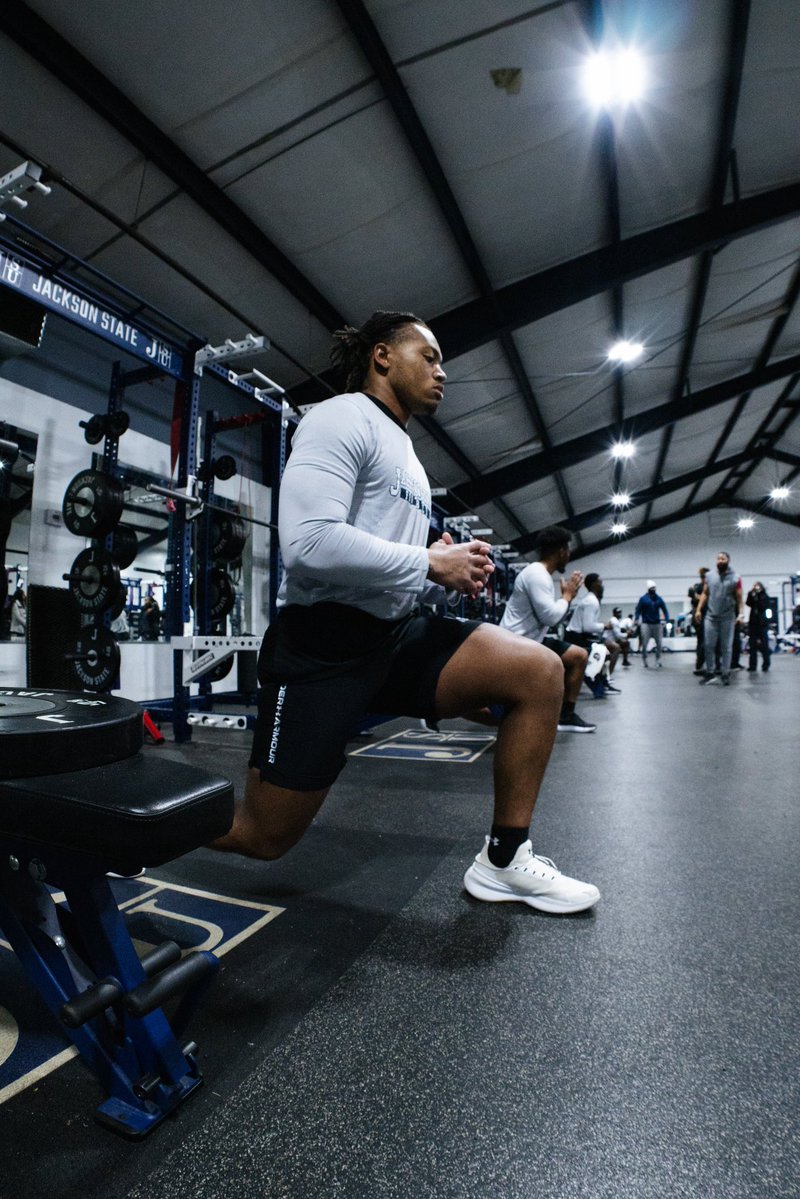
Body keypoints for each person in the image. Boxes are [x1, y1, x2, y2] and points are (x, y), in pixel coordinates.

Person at [213, 311, 599, 914]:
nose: (443, 373)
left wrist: (444, 569)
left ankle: (504, 861)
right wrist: (426, 562)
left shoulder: (412, 461)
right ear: (383, 356)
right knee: (263, 838)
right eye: (431, 355)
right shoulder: (341, 417)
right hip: (323, 645)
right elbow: (309, 543)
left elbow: (393, 564)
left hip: (395, 635)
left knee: (539, 670)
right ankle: (126, 830)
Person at [500, 525, 596, 733]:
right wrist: (567, 596)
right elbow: (551, 617)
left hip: (533, 641)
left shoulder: (542, 575)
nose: (569, 556)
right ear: (561, 551)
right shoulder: (537, 574)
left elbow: (553, 615)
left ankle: (566, 715)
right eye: (568, 551)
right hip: (515, 643)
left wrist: (565, 599)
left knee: (578, 656)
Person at [565, 573, 618, 696]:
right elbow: (588, 627)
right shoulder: (591, 602)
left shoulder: (591, 599)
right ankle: (600, 688)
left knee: (609, 651)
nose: (602, 585)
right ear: (594, 584)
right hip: (576, 638)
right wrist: (605, 625)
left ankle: (603, 683)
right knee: (603, 654)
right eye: (600, 582)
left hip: (579, 636)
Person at [695, 551, 743, 686]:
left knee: (726, 647)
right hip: (711, 616)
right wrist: (698, 610)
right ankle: (710, 673)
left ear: (728, 560)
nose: (720, 560)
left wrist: (741, 613)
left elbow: (739, 597)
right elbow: (705, 593)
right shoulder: (709, 576)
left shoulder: (736, 577)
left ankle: (725, 673)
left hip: (727, 617)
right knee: (709, 645)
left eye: (723, 558)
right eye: (718, 558)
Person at [635, 581, 669, 668]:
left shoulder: (659, 599)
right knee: (645, 643)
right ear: (648, 589)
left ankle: (658, 660)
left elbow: (665, 610)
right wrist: (636, 618)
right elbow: (638, 610)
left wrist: (666, 620)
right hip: (646, 624)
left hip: (657, 624)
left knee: (659, 643)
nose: (653, 589)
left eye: (654, 588)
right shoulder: (643, 599)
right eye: (652, 588)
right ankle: (644, 660)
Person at [746, 582, 771, 673]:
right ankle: (752, 665)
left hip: (762, 624)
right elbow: (748, 603)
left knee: (764, 645)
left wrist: (758, 596)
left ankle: (766, 665)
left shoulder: (764, 596)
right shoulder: (752, 595)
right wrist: (752, 594)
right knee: (752, 645)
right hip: (753, 623)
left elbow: (763, 606)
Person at [688, 567, 709, 675]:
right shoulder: (698, 587)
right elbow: (695, 602)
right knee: (702, 642)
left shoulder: (709, 587)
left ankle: (703, 665)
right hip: (700, 618)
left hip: (708, 617)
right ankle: (700, 665)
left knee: (704, 642)